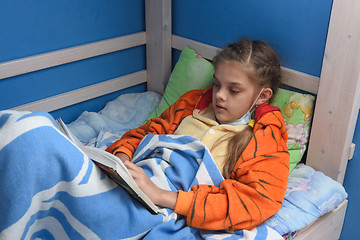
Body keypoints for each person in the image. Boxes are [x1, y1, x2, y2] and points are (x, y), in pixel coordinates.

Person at [106, 38, 289, 231]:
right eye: (217, 84)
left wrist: (159, 195)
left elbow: (254, 201)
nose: (219, 95)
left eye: (234, 90)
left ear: (262, 96)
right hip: (137, 180)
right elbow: (146, 134)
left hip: (168, 205)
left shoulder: (262, 140)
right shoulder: (190, 105)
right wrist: (122, 165)